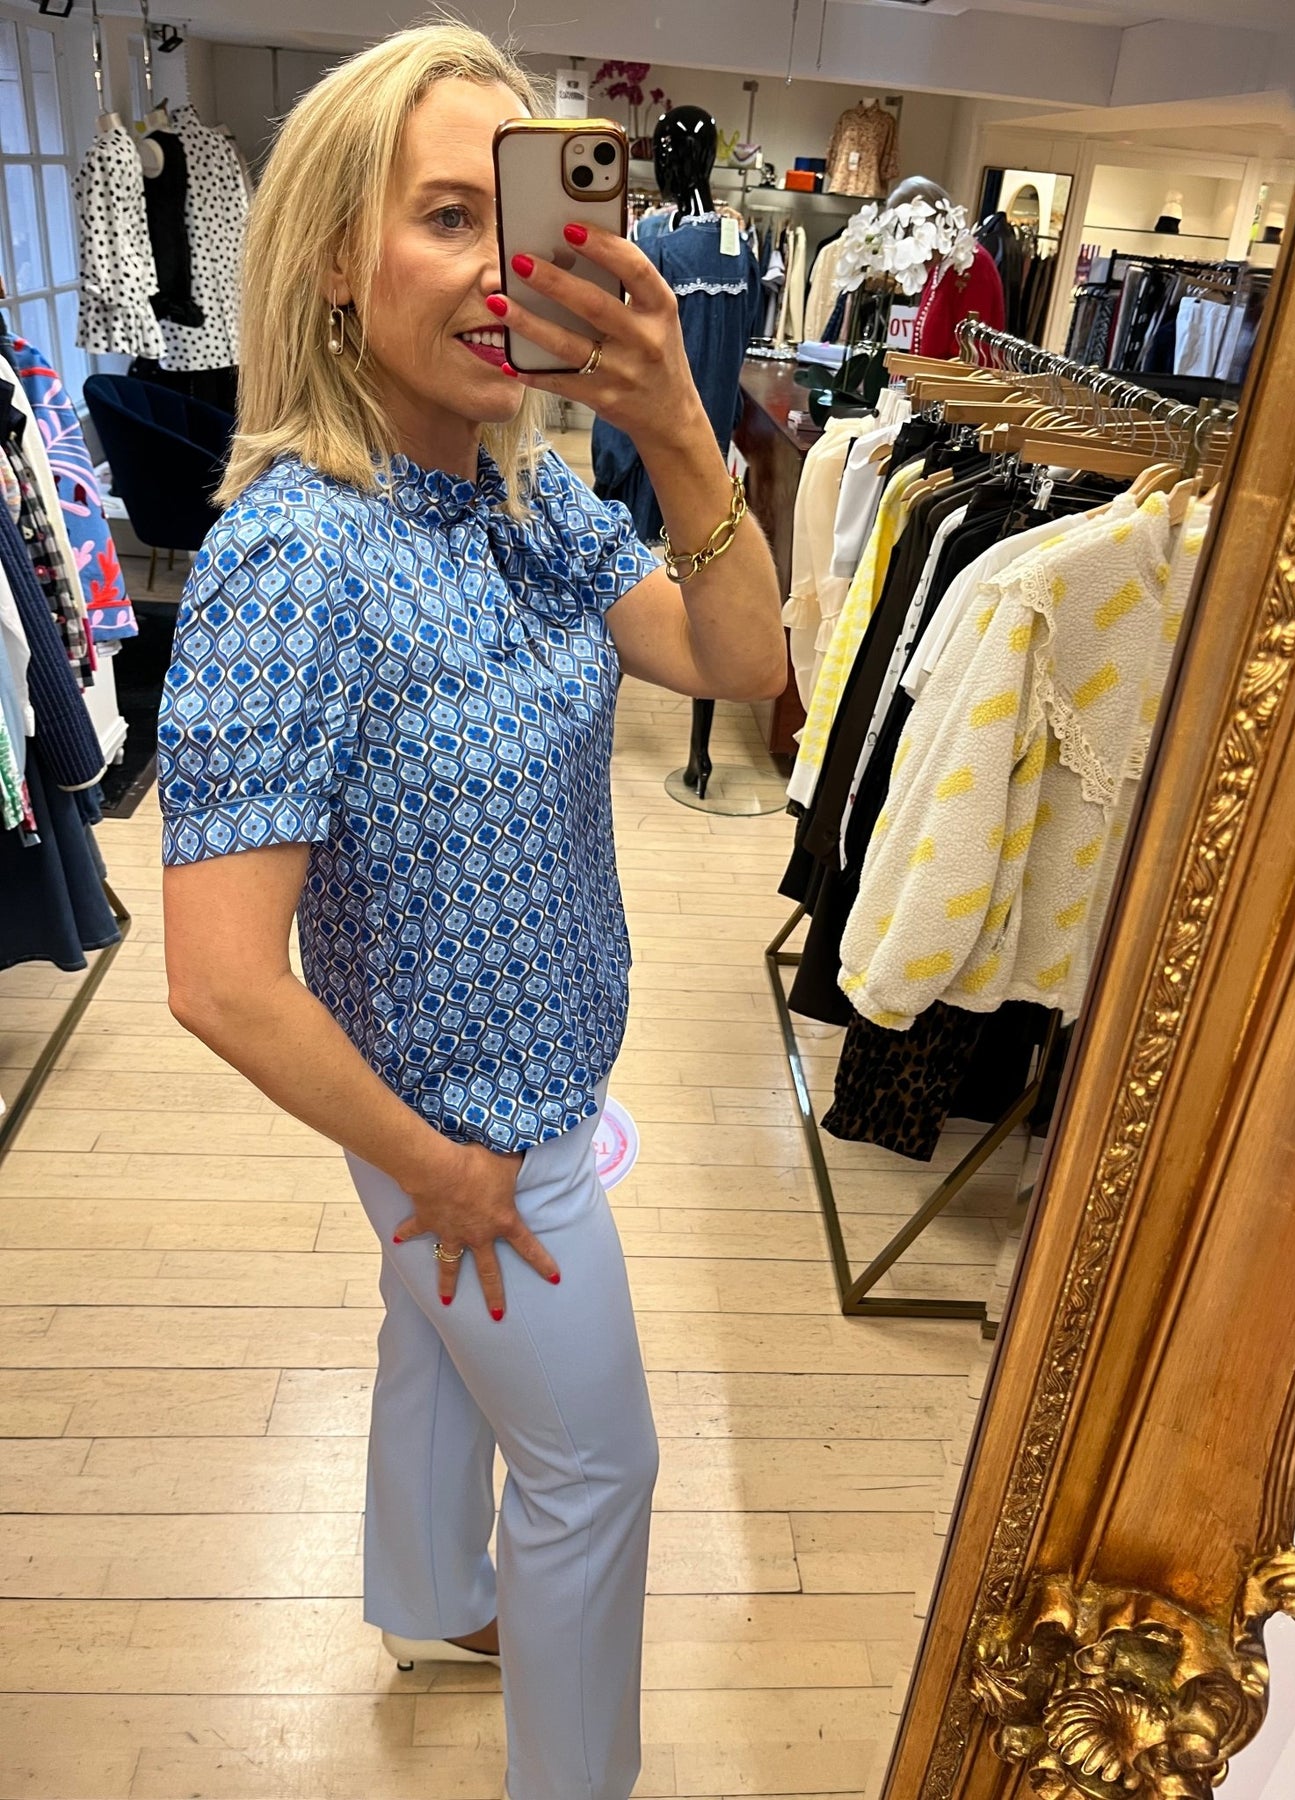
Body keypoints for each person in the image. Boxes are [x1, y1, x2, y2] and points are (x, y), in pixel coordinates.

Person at [156, 23, 784, 1800]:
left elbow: (740, 664)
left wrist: (674, 426)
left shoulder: (521, 493)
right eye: (446, 217)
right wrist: (434, 1168)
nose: (502, 268)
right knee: (597, 1469)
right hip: (465, 1134)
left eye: (516, 218)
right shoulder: (298, 558)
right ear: (329, 262)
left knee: (431, 1345)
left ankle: (430, 1591)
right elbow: (219, 981)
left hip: (525, 1088)